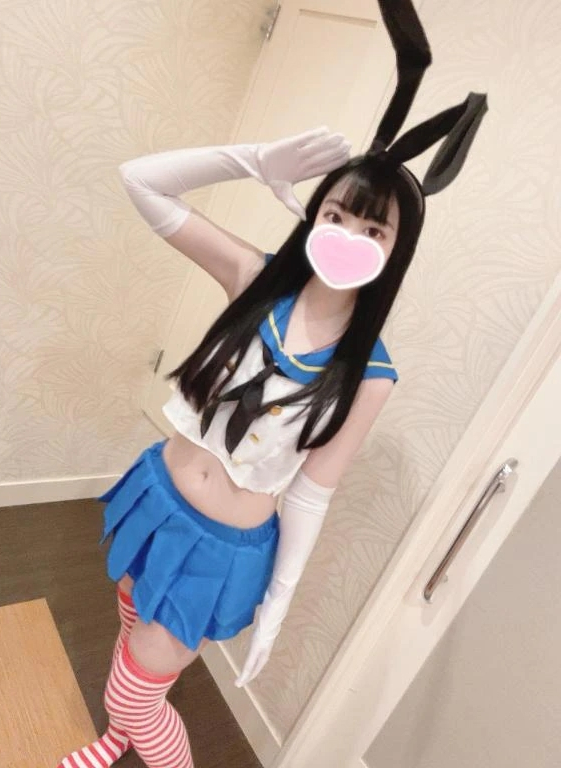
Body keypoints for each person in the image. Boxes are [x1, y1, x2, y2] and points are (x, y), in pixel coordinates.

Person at [58, 1, 488, 766]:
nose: (351, 236)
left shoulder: (371, 372)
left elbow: (311, 494)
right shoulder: (253, 278)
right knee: (130, 633)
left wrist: (281, 601)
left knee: (136, 693)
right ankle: (116, 744)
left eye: (374, 229)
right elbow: (142, 183)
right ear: (314, 214)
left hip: (220, 548)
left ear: (395, 250)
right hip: (159, 495)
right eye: (339, 214)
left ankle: (129, 731)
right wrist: (251, 161)